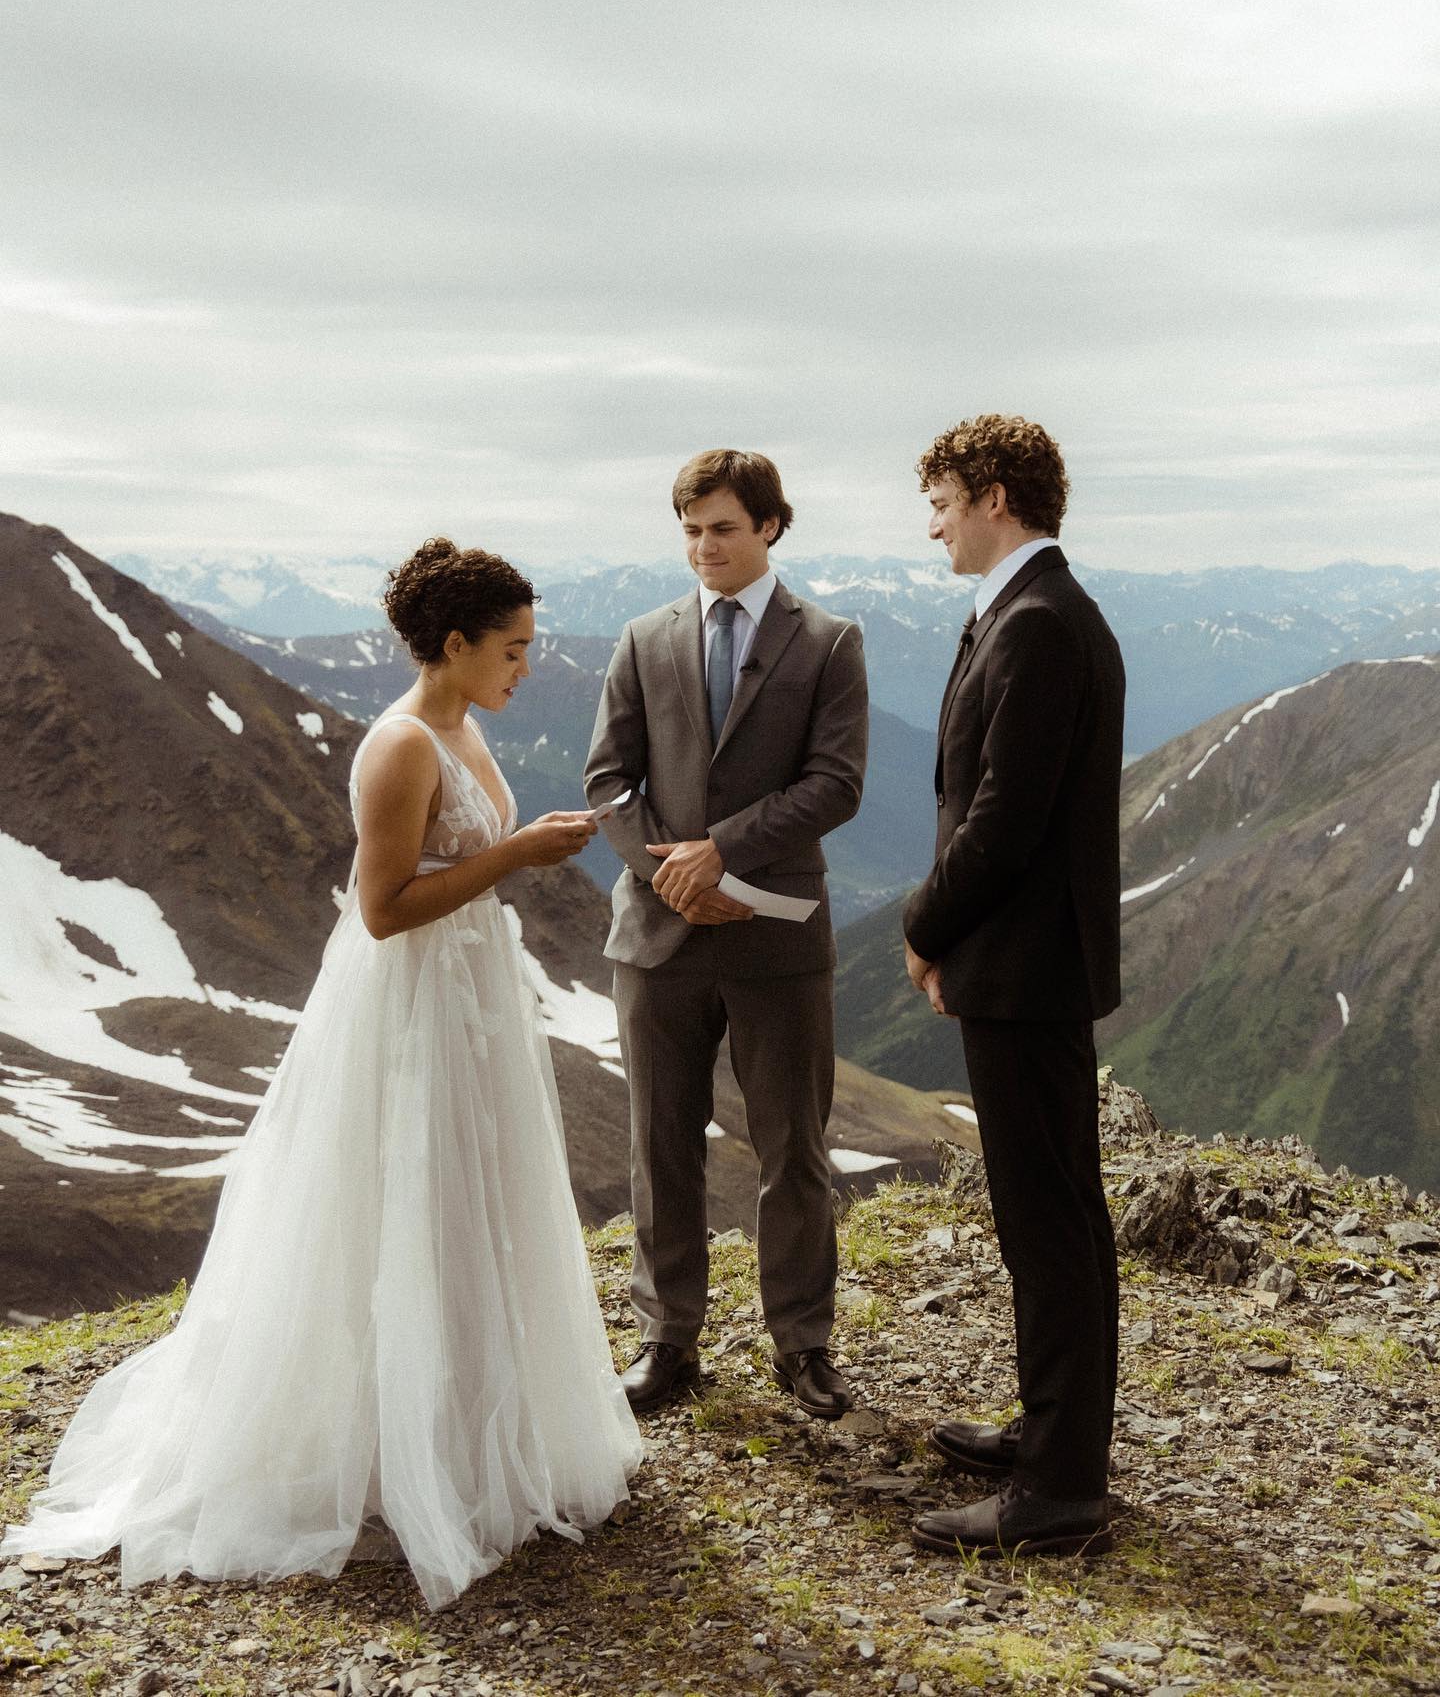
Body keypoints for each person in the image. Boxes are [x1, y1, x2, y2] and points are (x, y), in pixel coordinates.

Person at [2, 539, 642, 1611]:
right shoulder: (400, 746)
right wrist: (514, 856)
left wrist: (522, 854)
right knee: (400, 1201)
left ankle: (465, 1424)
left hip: (473, 1001)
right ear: (455, 643)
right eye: (514, 649)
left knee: (468, 1200)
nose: (527, 667)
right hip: (414, 1007)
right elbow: (386, 907)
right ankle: (387, 1448)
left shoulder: (461, 725)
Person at [584, 450, 868, 1418]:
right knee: (659, 1142)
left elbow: (837, 783)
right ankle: (668, 1341)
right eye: (692, 529)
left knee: (794, 1146)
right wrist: (671, 869)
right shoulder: (641, 637)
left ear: (771, 527)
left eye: (723, 528)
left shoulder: (830, 641)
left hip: (777, 938)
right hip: (657, 935)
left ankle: (804, 1344)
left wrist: (721, 852)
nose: (704, 547)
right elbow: (606, 782)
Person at [900, 416, 1125, 1558]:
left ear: (993, 496)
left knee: (1046, 1221)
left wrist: (923, 923)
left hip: (1025, 967)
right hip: (1032, 962)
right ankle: (1058, 1437)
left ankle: (1062, 1490)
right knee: (1059, 1215)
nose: (930, 520)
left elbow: (1003, 817)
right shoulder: (1036, 611)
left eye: (940, 499)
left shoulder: (1037, 624)